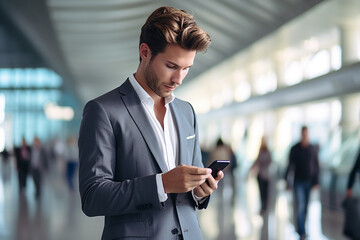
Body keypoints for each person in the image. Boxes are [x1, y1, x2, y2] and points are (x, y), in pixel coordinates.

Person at [78, 6, 224, 240]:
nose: (178, 79)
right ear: (145, 52)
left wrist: (200, 192)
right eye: (171, 66)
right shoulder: (103, 111)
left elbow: (189, 190)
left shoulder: (187, 111)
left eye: (186, 69)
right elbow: (93, 197)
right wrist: (162, 184)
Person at [284, 126, 320, 240]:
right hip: (298, 182)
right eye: (303, 133)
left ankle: (303, 227)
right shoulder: (295, 149)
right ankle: (301, 231)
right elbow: (290, 165)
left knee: (306, 207)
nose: (305, 136)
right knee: (300, 205)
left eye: (306, 134)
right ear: (301, 134)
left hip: (309, 182)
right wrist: (286, 181)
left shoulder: (312, 148)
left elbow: (317, 166)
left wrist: (316, 181)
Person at [249, 136, 272, 214]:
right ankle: (263, 207)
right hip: (260, 175)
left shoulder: (268, 151)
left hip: (266, 175)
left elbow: (269, 161)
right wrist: (251, 169)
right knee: (261, 192)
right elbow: (257, 161)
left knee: (266, 192)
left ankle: (265, 206)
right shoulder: (260, 151)